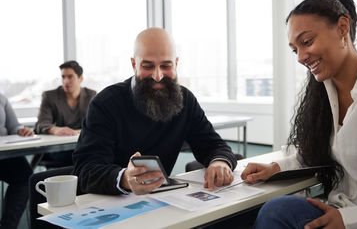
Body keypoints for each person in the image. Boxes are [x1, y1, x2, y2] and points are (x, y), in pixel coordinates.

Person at [241, 0, 357, 229]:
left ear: (343, 28)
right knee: (269, 211)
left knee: (275, 213)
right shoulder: (324, 93)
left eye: (306, 42)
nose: (301, 57)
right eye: (294, 50)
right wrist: (276, 169)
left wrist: (350, 220)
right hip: (340, 212)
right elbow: (317, 153)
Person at [72, 27, 237, 195]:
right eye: (148, 66)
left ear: (176, 64)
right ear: (134, 64)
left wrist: (219, 163)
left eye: (166, 66)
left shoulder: (185, 99)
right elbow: (85, 170)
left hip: (159, 201)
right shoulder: (105, 103)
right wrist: (125, 179)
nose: (157, 76)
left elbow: (213, 145)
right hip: (107, 204)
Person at [35, 60, 96, 166]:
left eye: (70, 77)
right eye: (63, 77)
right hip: (58, 148)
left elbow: (96, 124)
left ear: (80, 78)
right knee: (80, 158)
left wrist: (77, 132)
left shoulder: (91, 95)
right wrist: (55, 130)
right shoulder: (50, 96)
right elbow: (41, 123)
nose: (66, 81)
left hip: (82, 144)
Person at [0, 93, 34, 229]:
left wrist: (22, 130)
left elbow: (14, 126)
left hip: (4, 154)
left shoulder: (1, 98)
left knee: (25, 176)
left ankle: (8, 226)